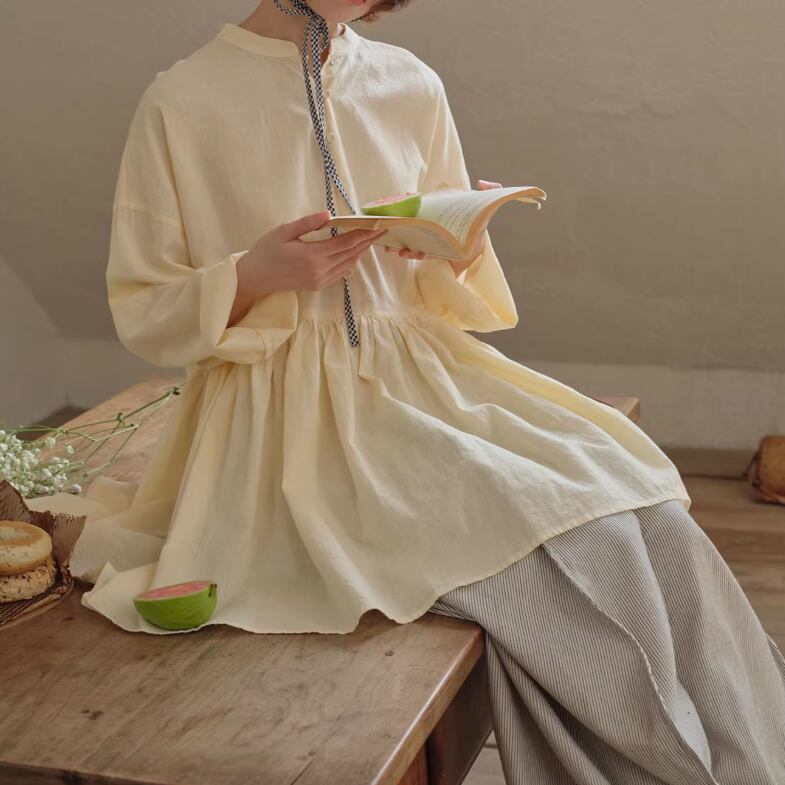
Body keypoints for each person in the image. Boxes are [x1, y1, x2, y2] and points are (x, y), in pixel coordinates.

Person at [43, 1, 785, 782]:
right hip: (282, 416)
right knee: (583, 550)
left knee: (651, 515)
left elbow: (436, 285)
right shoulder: (182, 99)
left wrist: (461, 242)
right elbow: (146, 306)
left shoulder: (410, 82)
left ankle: (754, 761)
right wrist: (255, 274)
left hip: (427, 377)